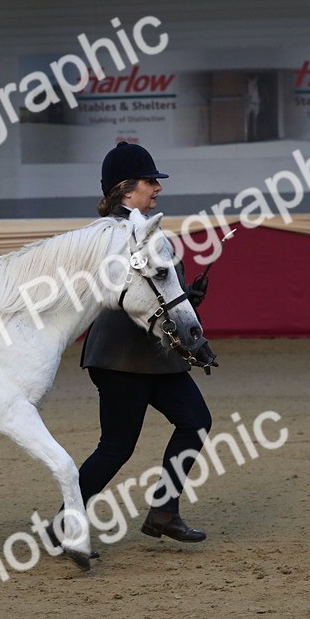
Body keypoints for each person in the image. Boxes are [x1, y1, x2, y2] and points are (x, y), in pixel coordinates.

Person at [49, 141, 214, 557]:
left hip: (155, 355)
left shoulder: (145, 228)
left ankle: (163, 510)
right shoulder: (113, 236)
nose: (156, 187)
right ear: (125, 189)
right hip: (120, 355)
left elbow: (157, 291)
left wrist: (187, 299)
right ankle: (64, 524)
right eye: (149, 181)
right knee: (117, 446)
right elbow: (128, 294)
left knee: (195, 421)